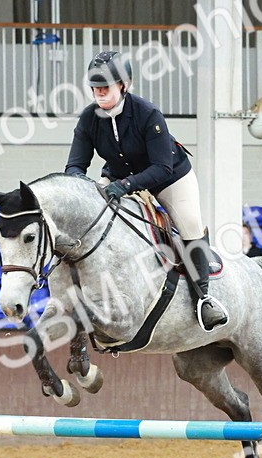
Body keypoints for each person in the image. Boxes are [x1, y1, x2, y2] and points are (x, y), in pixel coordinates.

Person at [65, 50, 229, 332]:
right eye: (95, 88)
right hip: (119, 177)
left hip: (169, 178)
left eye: (106, 87)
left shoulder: (147, 114)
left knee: (189, 225)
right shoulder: (89, 119)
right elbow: (75, 167)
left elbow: (161, 168)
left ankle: (204, 298)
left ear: (124, 85)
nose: (100, 92)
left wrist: (124, 186)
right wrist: (84, 190)